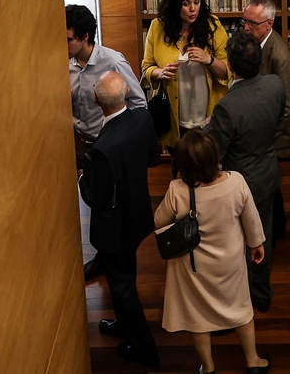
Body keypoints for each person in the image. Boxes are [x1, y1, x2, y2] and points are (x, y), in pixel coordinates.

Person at [154, 130, 271, 374]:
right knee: (241, 309)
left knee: (198, 317)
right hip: (230, 263)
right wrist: (256, 244)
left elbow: (158, 220)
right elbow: (251, 220)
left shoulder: (177, 189)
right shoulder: (236, 181)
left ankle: (208, 368)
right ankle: (253, 362)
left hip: (193, 267)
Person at [80, 72, 163, 367]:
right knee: (124, 277)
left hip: (116, 227)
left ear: (95, 100)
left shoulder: (103, 149)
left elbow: (95, 198)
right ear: (127, 91)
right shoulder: (142, 118)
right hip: (138, 214)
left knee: (123, 286)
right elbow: (153, 158)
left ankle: (144, 348)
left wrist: (82, 180)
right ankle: (124, 324)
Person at [206, 31, 285, 312]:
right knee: (263, 238)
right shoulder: (275, 85)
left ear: (230, 65)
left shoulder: (227, 106)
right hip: (267, 173)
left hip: (240, 183)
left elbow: (214, 150)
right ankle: (261, 294)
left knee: (237, 245)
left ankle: (238, 299)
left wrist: (207, 127)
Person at [68, 3, 146, 280]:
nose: (63, 45)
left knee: (107, 207)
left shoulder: (112, 62)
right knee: (91, 205)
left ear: (85, 37)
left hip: (107, 147)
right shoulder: (63, 64)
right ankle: (101, 254)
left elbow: (139, 104)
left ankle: (110, 258)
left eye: (68, 39)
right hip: (79, 145)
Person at [142, 0, 230, 150]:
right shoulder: (157, 27)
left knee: (207, 165)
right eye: (186, 4)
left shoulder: (213, 25)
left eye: (197, 2)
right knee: (180, 164)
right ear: (175, 5)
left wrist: (209, 59)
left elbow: (227, 72)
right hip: (176, 113)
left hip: (207, 113)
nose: (193, 9)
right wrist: (159, 73)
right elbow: (147, 66)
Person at [241, 0, 290, 246]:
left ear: (269, 24)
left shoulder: (279, 56)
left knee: (268, 182)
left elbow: (287, 108)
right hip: (263, 130)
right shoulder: (254, 43)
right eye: (245, 21)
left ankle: (274, 230)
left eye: (252, 23)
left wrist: (265, 135)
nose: (246, 27)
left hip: (273, 134)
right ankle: (278, 226)